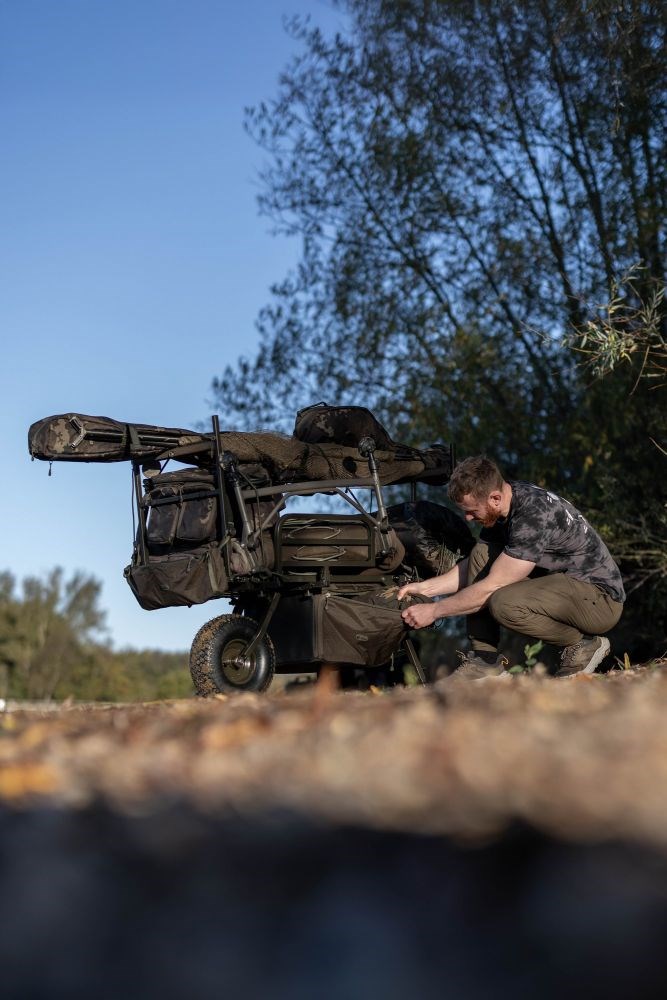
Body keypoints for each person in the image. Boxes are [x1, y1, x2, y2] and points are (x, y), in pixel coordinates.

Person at [398, 456, 625, 679]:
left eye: (472, 511)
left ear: (495, 498)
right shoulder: (506, 501)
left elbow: (491, 586)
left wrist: (434, 611)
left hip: (600, 599)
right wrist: (426, 589)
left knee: (503, 603)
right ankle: (484, 660)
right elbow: (475, 566)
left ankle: (583, 645)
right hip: (566, 586)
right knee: (481, 554)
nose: (468, 518)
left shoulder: (531, 515)